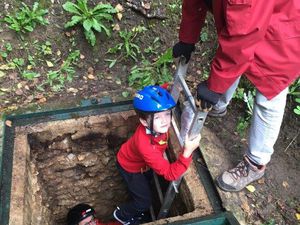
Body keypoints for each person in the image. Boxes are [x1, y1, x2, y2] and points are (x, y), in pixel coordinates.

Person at [173, 0, 300, 192]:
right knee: (233, 58)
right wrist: (187, 38)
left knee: (270, 90)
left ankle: (256, 163)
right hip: (251, 21)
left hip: (285, 29)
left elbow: (241, 39)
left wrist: (214, 86)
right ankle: (218, 104)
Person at [113, 85, 201, 224]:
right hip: (129, 167)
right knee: (143, 202)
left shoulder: (155, 127)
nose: (165, 120)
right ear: (143, 121)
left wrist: (169, 87)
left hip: (141, 163)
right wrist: (187, 152)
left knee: (148, 184)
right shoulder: (146, 146)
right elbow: (170, 174)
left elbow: (156, 94)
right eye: (158, 117)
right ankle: (122, 214)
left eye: (167, 113)